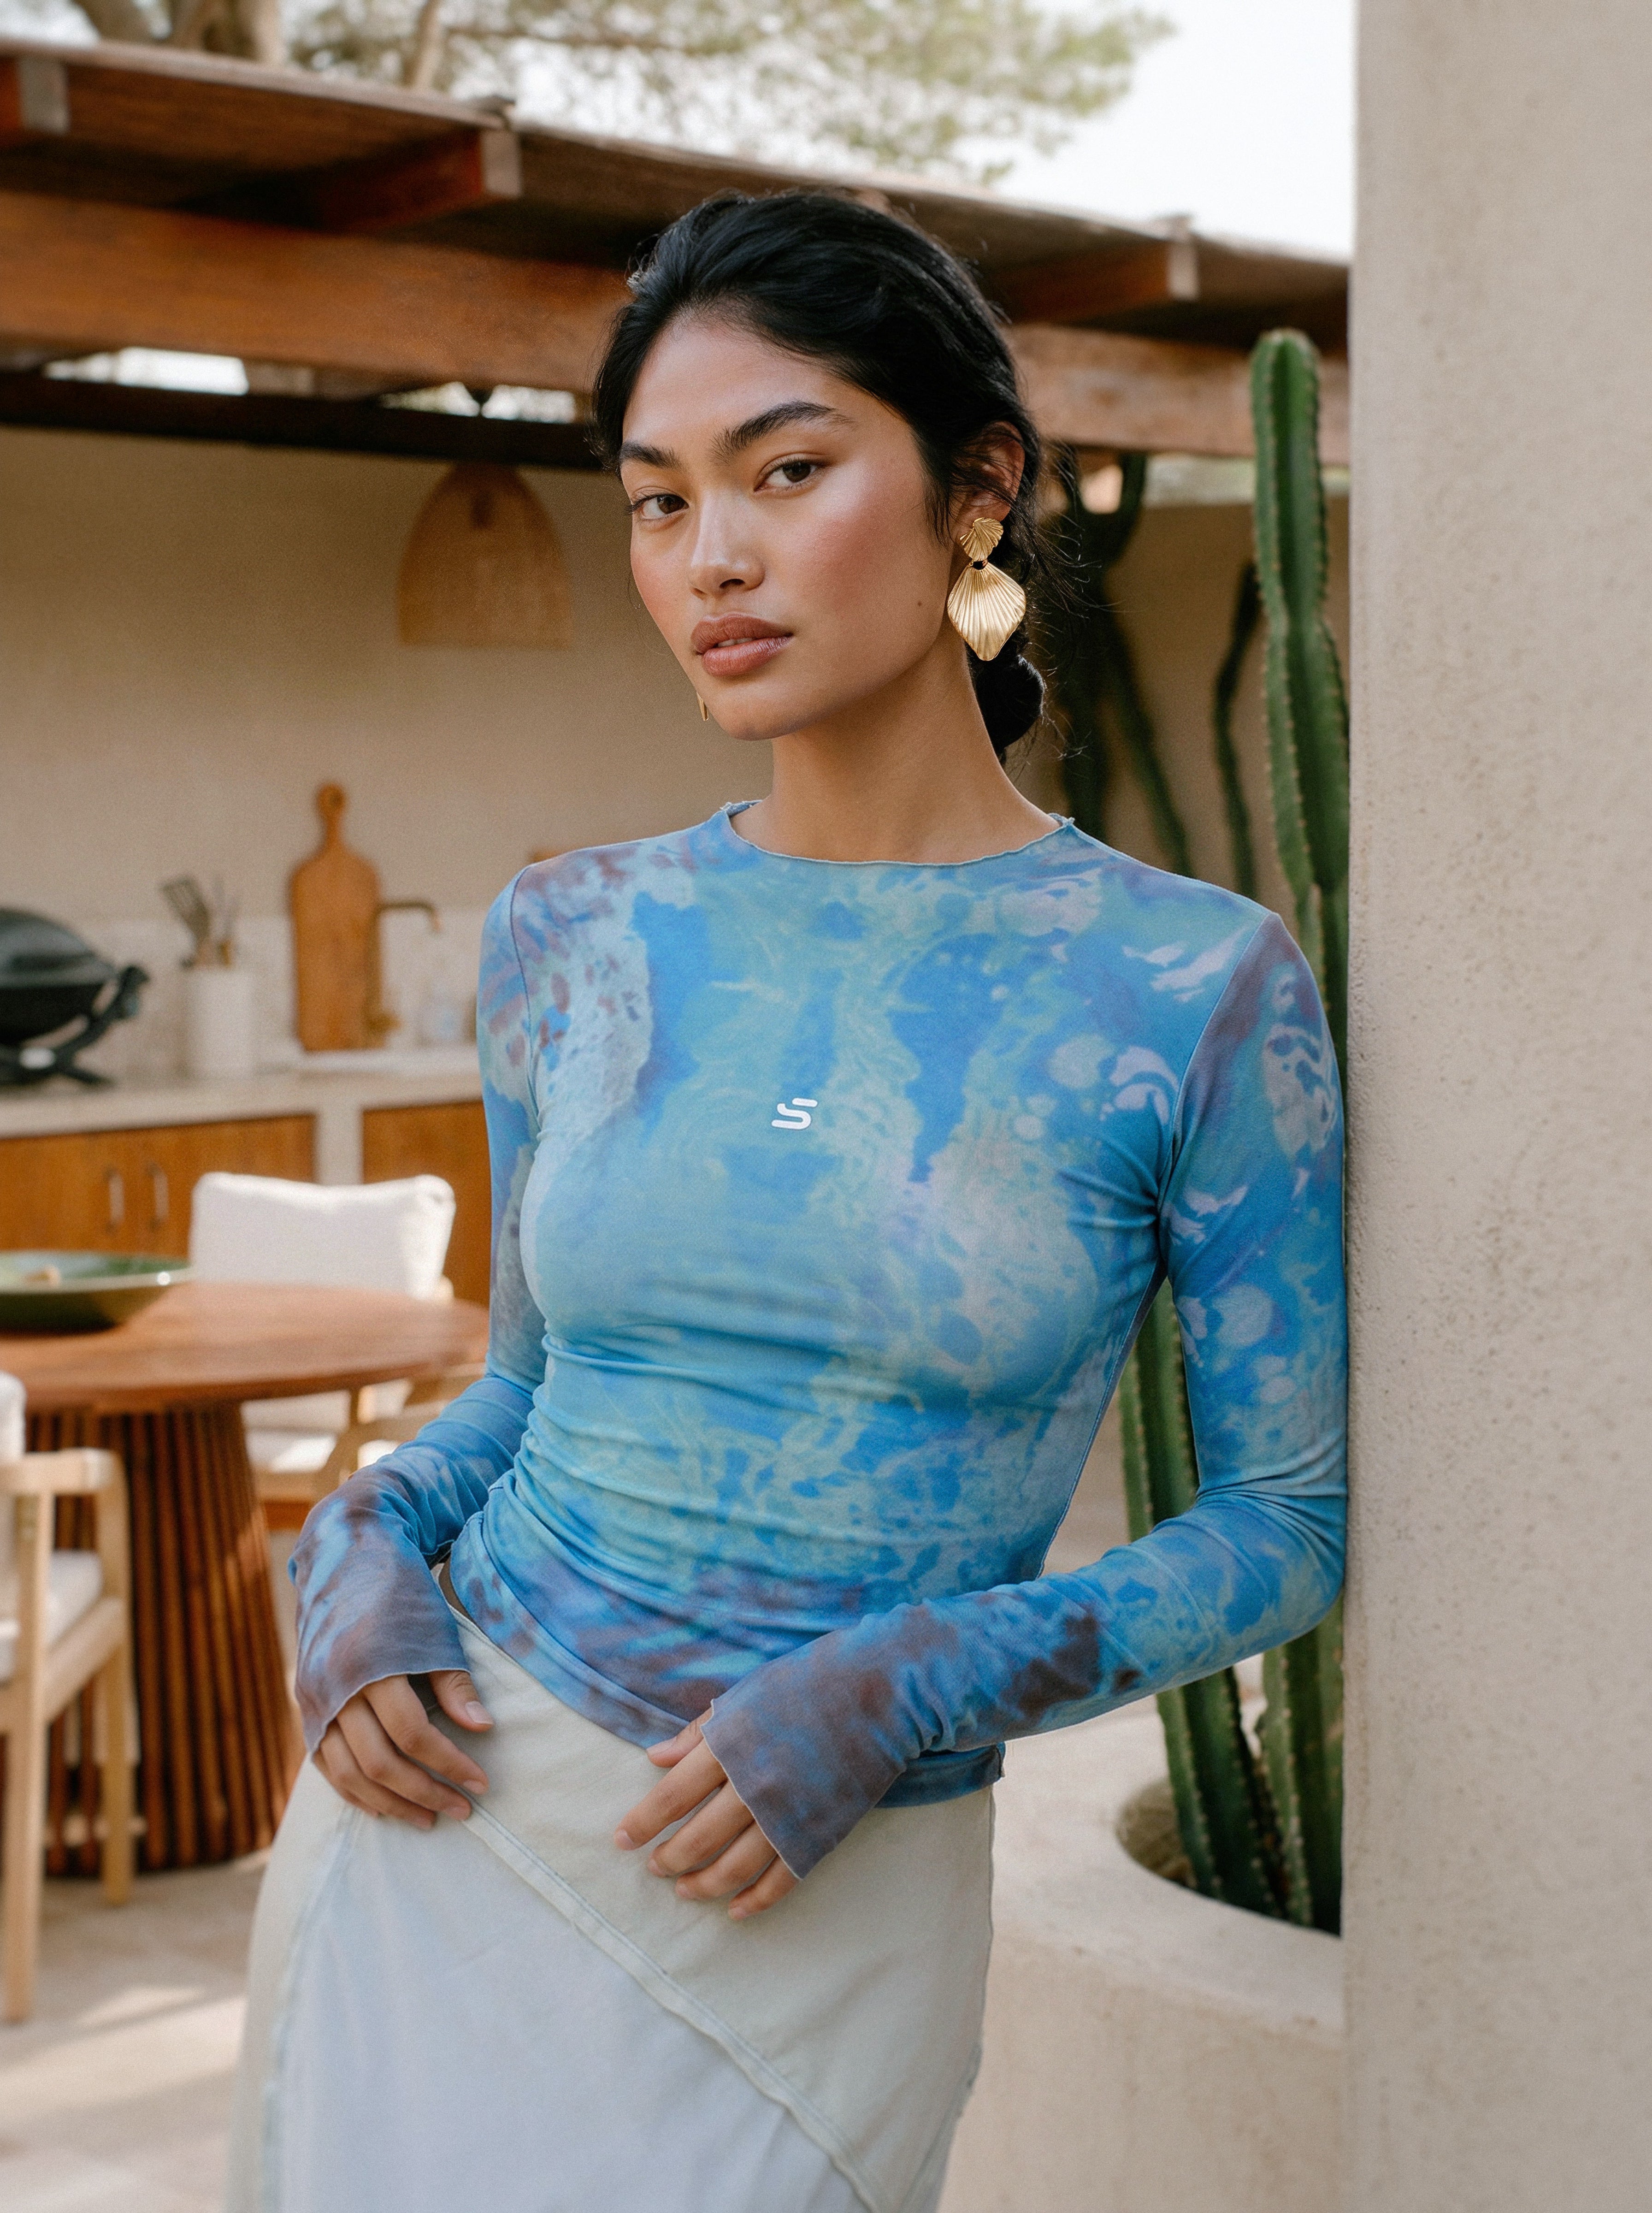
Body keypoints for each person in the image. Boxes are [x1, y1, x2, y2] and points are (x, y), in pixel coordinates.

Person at [227, 189, 1346, 2213]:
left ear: (975, 489)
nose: (709, 559)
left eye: (788, 471)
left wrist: (913, 1682)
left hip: (823, 1895)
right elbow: (529, 1384)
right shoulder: (573, 933)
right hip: (449, 1817)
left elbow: (1286, 1525)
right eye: (657, 504)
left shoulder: (1191, 986)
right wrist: (364, 1535)